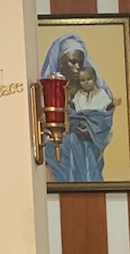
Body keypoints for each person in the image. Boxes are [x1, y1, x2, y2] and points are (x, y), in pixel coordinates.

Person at [40, 33, 115, 183]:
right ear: (61, 63)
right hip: (59, 153)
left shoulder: (94, 90)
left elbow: (104, 119)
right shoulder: (49, 93)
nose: (77, 67)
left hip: (87, 153)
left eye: (80, 63)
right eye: (72, 62)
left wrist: (92, 131)